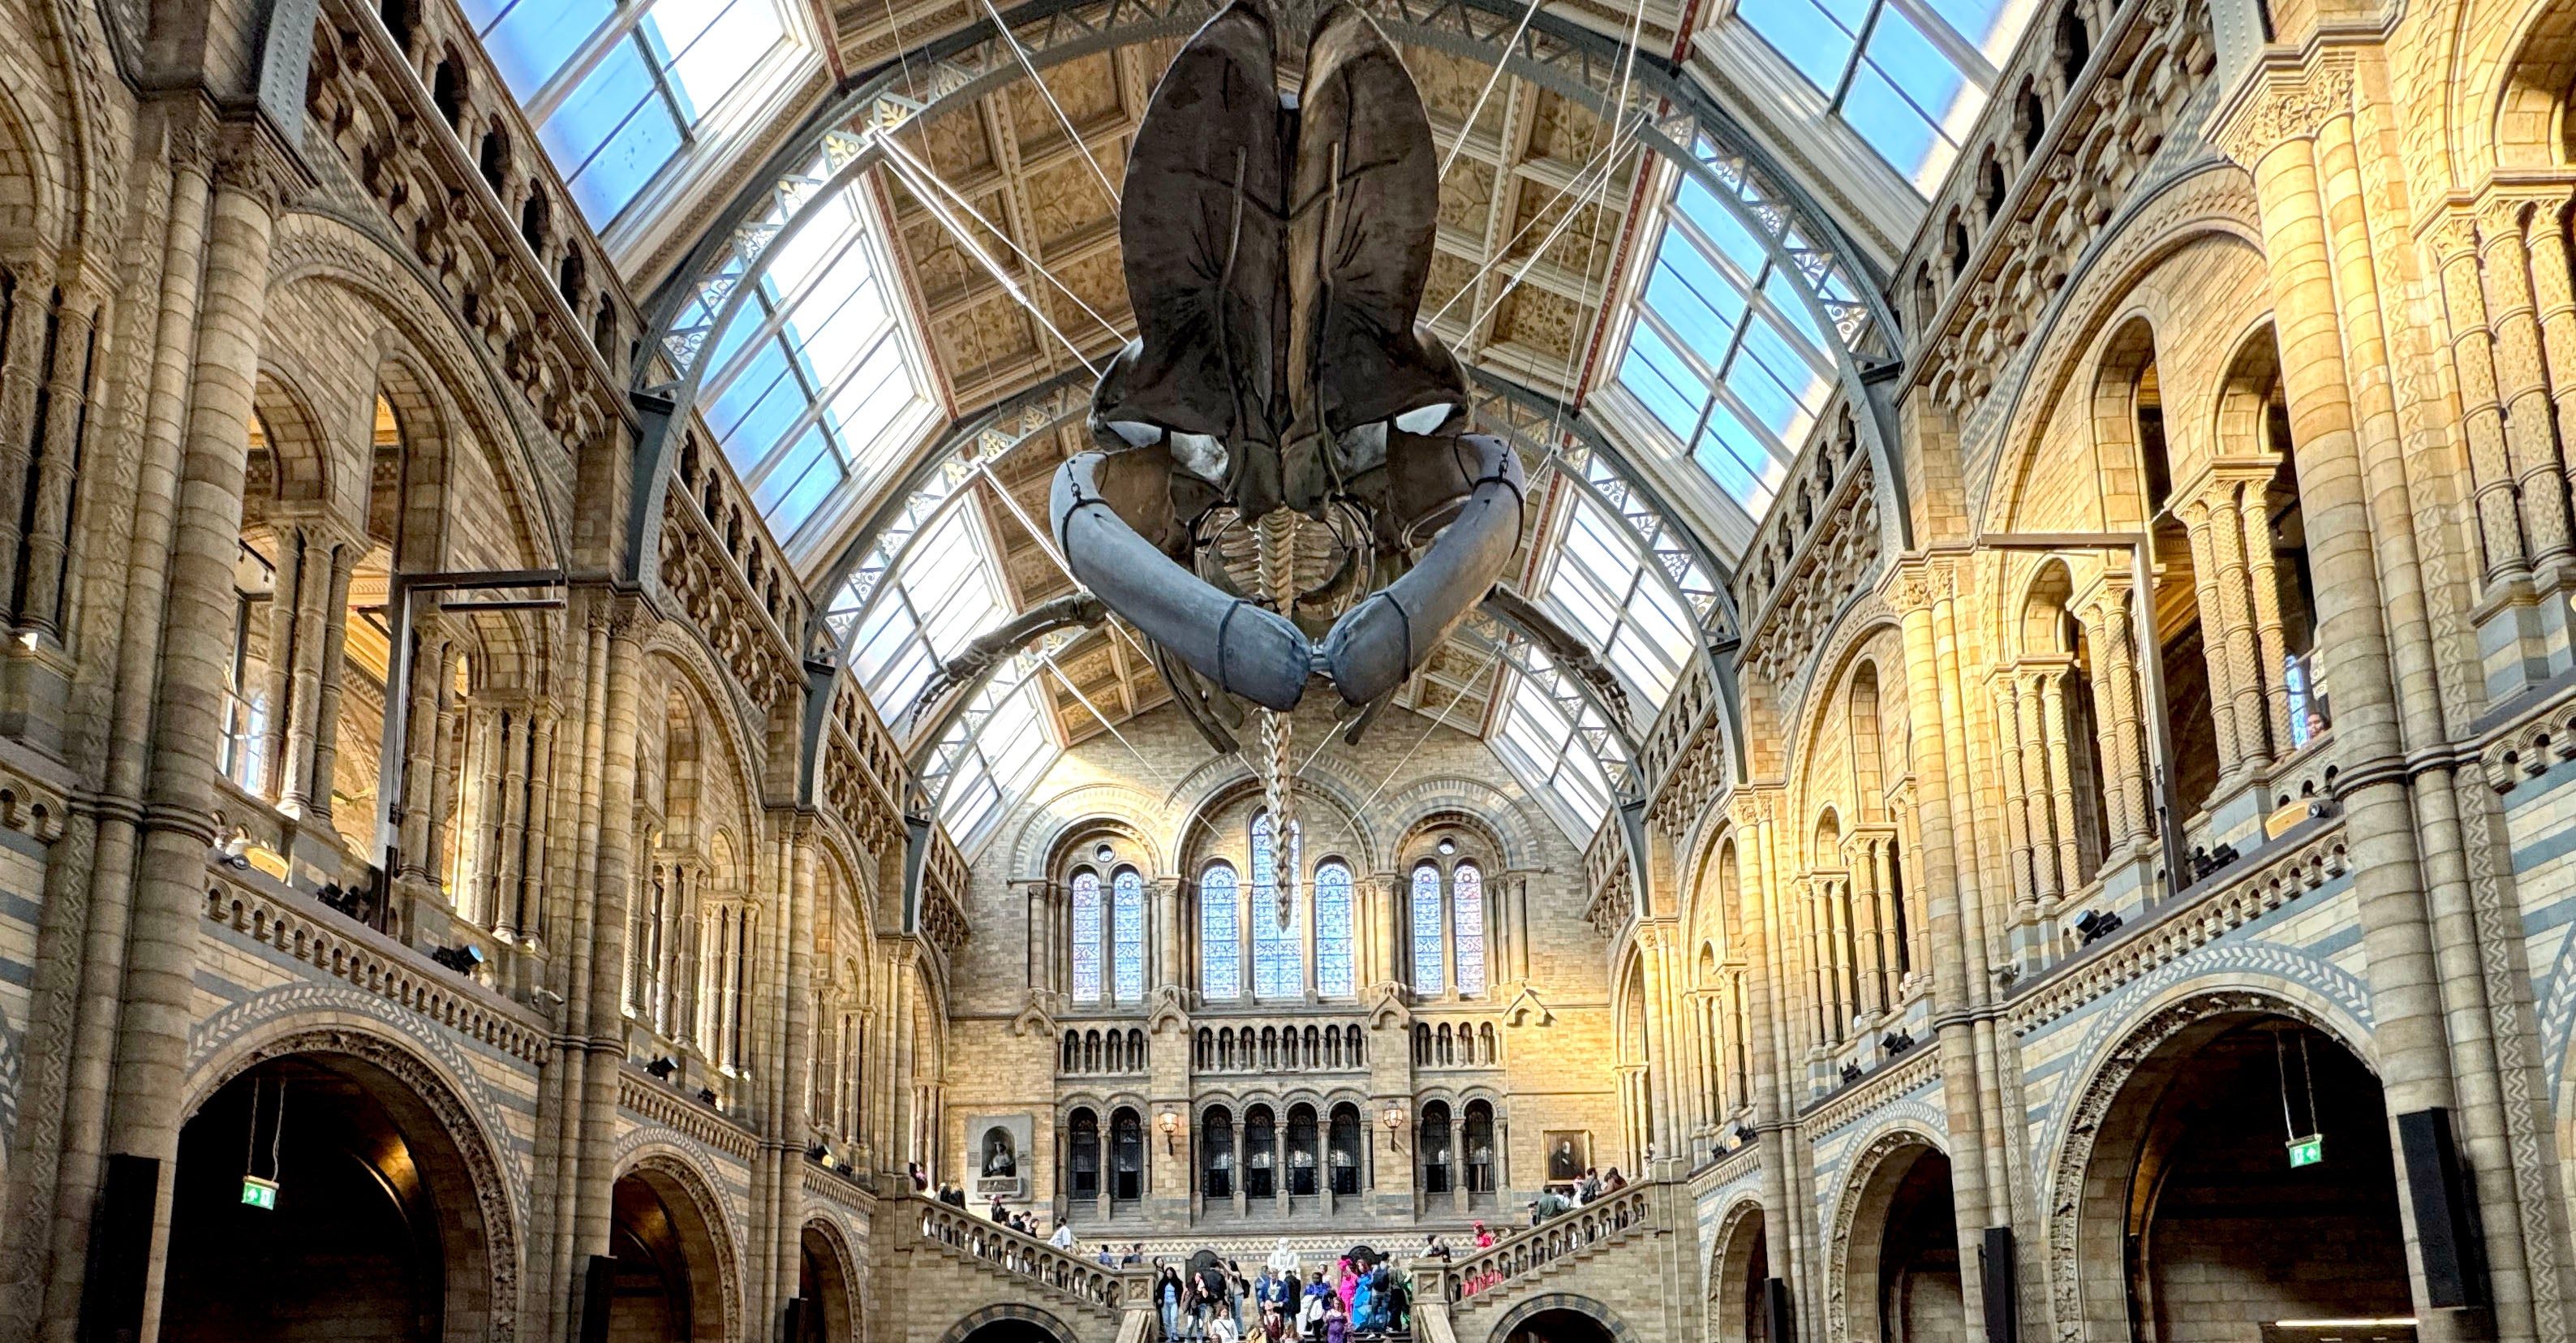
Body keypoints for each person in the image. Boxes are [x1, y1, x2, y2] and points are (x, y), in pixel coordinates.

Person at [1158, 1266, 1187, 1341]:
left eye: (1170, 1274)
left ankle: (1174, 1334)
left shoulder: (1177, 1282)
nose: (1169, 1275)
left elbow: (1180, 1293)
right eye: (1168, 1274)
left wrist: (1180, 1302)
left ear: (1173, 1274)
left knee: (1174, 1318)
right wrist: (1159, 1298)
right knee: (1166, 1320)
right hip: (1165, 1303)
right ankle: (1169, 1336)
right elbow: (1159, 1292)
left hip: (1174, 1302)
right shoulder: (1162, 1282)